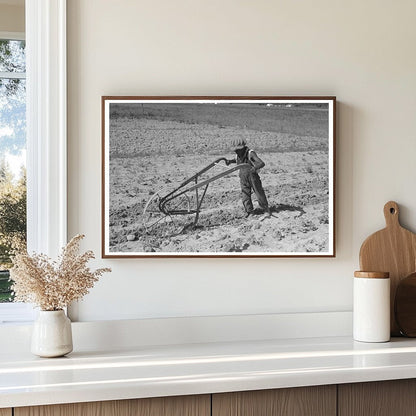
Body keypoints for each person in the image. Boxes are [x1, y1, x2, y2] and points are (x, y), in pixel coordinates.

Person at [225, 138, 271, 217]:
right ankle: (250, 211)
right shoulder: (238, 154)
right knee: (245, 195)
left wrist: (255, 168)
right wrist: (229, 161)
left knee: (259, 193)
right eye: (235, 150)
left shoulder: (250, 153)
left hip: (253, 177)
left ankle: (266, 209)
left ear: (242, 148)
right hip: (243, 177)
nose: (236, 151)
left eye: (237, 150)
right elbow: (235, 159)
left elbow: (261, 163)